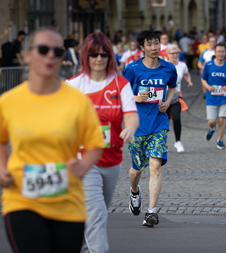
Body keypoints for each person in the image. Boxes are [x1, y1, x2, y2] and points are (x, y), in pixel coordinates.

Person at [0, 27, 104, 252]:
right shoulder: (9, 102)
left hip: (68, 203)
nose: (50, 56)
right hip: (22, 199)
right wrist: (1, 167)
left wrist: (83, 165)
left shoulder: (77, 102)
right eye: (43, 49)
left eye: (58, 52)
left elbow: (95, 144)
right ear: (27, 55)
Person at [66, 32, 139, 252]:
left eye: (104, 54)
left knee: (95, 216)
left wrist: (130, 128)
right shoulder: (74, 85)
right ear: (85, 57)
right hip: (84, 162)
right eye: (94, 54)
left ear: (110, 57)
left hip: (112, 161)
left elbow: (131, 115)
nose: (99, 59)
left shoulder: (120, 83)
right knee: (96, 215)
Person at [122, 25, 177, 227]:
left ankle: (151, 211)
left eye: (156, 43)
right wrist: (137, 97)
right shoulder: (132, 69)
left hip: (159, 124)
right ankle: (134, 192)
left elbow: (172, 87)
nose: (154, 47)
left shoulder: (168, 68)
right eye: (150, 44)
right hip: (137, 126)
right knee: (137, 169)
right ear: (142, 47)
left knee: (155, 167)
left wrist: (168, 102)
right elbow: (122, 94)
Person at [202, 43, 226, 149]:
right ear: (215, 53)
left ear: (225, 53)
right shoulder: (208, 65)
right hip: (211, 97)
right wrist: (208, 87)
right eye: (218, 51)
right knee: (211, 121)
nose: (221, 54)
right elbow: (203, 79)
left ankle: (220, 140)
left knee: (222, 120)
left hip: (224, 97)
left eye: (223, 51)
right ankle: (212, 129)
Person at [166, 45, 193, 152]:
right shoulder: (163, 65)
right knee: (164, 121)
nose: (175, 55)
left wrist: (188, 80)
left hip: (176, 96)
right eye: (173, 53)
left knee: (176, 118)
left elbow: (186, 74)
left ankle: (178, 142)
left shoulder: (182, 65)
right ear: (167, 55)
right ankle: (162, 143)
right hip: (163, 97)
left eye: (177, 53)